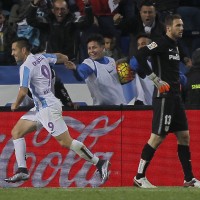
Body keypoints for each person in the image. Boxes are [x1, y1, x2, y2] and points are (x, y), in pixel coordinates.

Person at [4, 37, 110, 184]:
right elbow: (60, 56)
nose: (12, 53)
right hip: (40, 107)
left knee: (66, 142)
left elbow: (23, 91)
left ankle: (99, 163)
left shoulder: (25, 66)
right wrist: (65, 59)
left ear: (23, 50)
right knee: (17, 132)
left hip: (48, 108)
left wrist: (15, 105)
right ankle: (22, 170)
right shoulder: (42, 57)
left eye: (14, 50)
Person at [133, 14, 200, 188]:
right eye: (178, 25)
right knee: (157, 137)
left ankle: (189, 179)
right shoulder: (160, 43)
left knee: (184, 136)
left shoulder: (175, 45)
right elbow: (140, 55)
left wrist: (185, 58)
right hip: (164, 97)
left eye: (182, 25)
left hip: (175, 97)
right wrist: (154, 78)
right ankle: (139, 177)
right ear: (168, 28)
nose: (182, 28)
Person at [65, 33, 127, 106]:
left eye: (94, 47)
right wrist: (75, 69)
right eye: (89, 48)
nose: (91, 51)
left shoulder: (111, 60)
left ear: (103, 48)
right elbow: (80, 76)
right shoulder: (89, 63)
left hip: (122, 107)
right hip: (104, 111)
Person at [26, 0, 94, 62]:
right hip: (50, 61)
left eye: (62, 9)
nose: (60, 12)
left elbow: (88, 22)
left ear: (67, 10)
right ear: (53, 10)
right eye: (57, 9)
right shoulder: (47, 21)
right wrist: (34, 5)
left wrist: (88, 6)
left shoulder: (73, 21)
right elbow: (31, 20)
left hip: (70, 60)